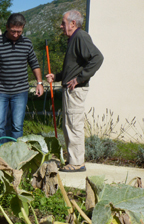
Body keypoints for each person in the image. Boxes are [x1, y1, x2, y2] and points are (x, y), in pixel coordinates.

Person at [46, 10, 103, 172]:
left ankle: (77, 163)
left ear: (73, 23)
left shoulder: (80, 37)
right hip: (70, 89)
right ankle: (73, 160)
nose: (61, 26)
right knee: (69, 125)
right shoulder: (74, 38)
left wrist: (80, 79)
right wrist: (56, 76)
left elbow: (98, 58)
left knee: (74, 124)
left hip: (76, 90)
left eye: (63, 23)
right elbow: (73, 67)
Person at [0, 13, 44, 144]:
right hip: (0, 91)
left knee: (17, 126)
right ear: (7, 27)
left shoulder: (27, 43)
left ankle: (16, 153)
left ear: (23, 28)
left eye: (19, 31)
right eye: (13, 31)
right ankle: (1, 151)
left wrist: (39, 83)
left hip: (20, 91)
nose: (16, 34)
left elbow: (34, 63)